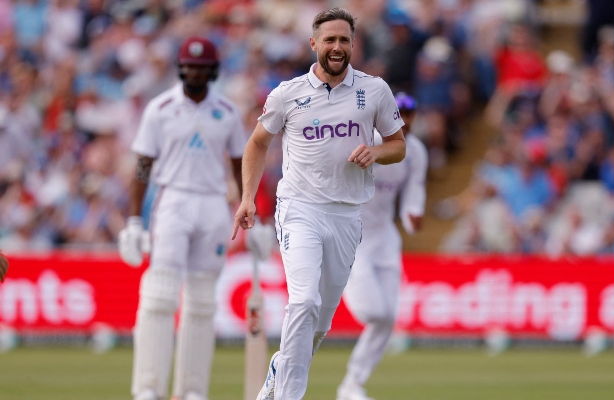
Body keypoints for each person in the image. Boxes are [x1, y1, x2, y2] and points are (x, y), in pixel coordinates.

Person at [231, 8, 406, 400]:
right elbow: (257, 143)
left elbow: (399, 145)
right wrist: (246, 197)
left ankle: (281, 364)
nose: (337, 47)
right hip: (300, 209)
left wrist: (376, 153)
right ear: (314, 44)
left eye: (344, 39)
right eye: (330, 40)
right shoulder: (288, 94)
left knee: (320, 323)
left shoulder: (374, 90)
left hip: (347, 214)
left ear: (353, 44)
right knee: (304, 299)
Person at [118, 37, 247, 400]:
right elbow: (142, 166)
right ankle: (148, 387)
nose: (196, 72)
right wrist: (133, 220)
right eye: (190, 66)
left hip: (212, 204)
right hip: (172, 199)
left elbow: (240, 163)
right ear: (180, 68)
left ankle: (192, 390)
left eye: (203, 67)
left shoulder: (226, 110)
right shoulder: (160, 109)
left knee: (203, 301)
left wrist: (251, 207)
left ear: (213, 70)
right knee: (159, 295)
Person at [337, 92, 427, 400]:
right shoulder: (368, 140)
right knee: (374, 312)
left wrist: (412, 214)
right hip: (356, 236)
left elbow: (414, 191)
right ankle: (337, 282)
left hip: (386, 237)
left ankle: (352, 385)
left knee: (388, 319)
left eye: (409, 112)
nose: (405, 117)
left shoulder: (416, 151)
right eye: (399, 111)